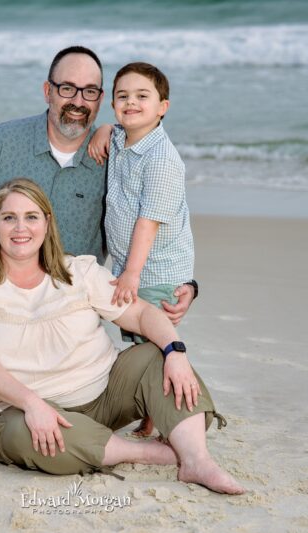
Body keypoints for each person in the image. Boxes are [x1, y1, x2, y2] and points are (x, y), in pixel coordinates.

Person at [0, 47, 198, 450]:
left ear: (101, 101)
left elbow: (156, 214)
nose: (78, 101)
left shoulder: (114, 155)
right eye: (67, 88)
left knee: (152, 331)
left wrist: (187, 283)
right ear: (47, 91)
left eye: (90, 91)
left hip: (68, 287)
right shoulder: (3, 140)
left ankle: (150, 420)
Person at [0, 178, 244, 494]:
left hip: (99, 398)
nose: (21, 228)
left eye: (31, 216)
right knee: (38, 436)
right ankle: (152, 453)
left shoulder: (79, 272)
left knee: (157, 355)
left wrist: (175, 351)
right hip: (8, 412)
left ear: (46, 223)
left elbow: (141, 314)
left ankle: (197, 461)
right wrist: (32, 404)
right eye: (9, 217)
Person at [89, 62, 196, 436]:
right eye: (122, 96)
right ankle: (152, 413)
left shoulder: (162, 160)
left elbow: (148, 223)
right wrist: (103, 129)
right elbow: (112, 128)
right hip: (131, 262)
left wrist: (130, 274)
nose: (131, 102)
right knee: (141, 340)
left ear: (162, 107)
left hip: (157, 268)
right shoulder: (121, 137)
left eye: (142, 96)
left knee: (154, 344)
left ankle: (166, 415)